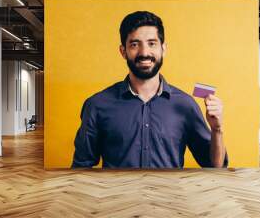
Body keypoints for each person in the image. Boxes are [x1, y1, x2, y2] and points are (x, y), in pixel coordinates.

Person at [72, 11, 228, 168]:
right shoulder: (97, 105)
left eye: (152, 43)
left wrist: (217, 129)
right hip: (117, 193)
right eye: (134, 44)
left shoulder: (186, 105)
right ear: (123, 51)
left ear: (163, 49)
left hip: (168, 193)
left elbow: (215, 167)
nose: (144, 52)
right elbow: (80, 169)